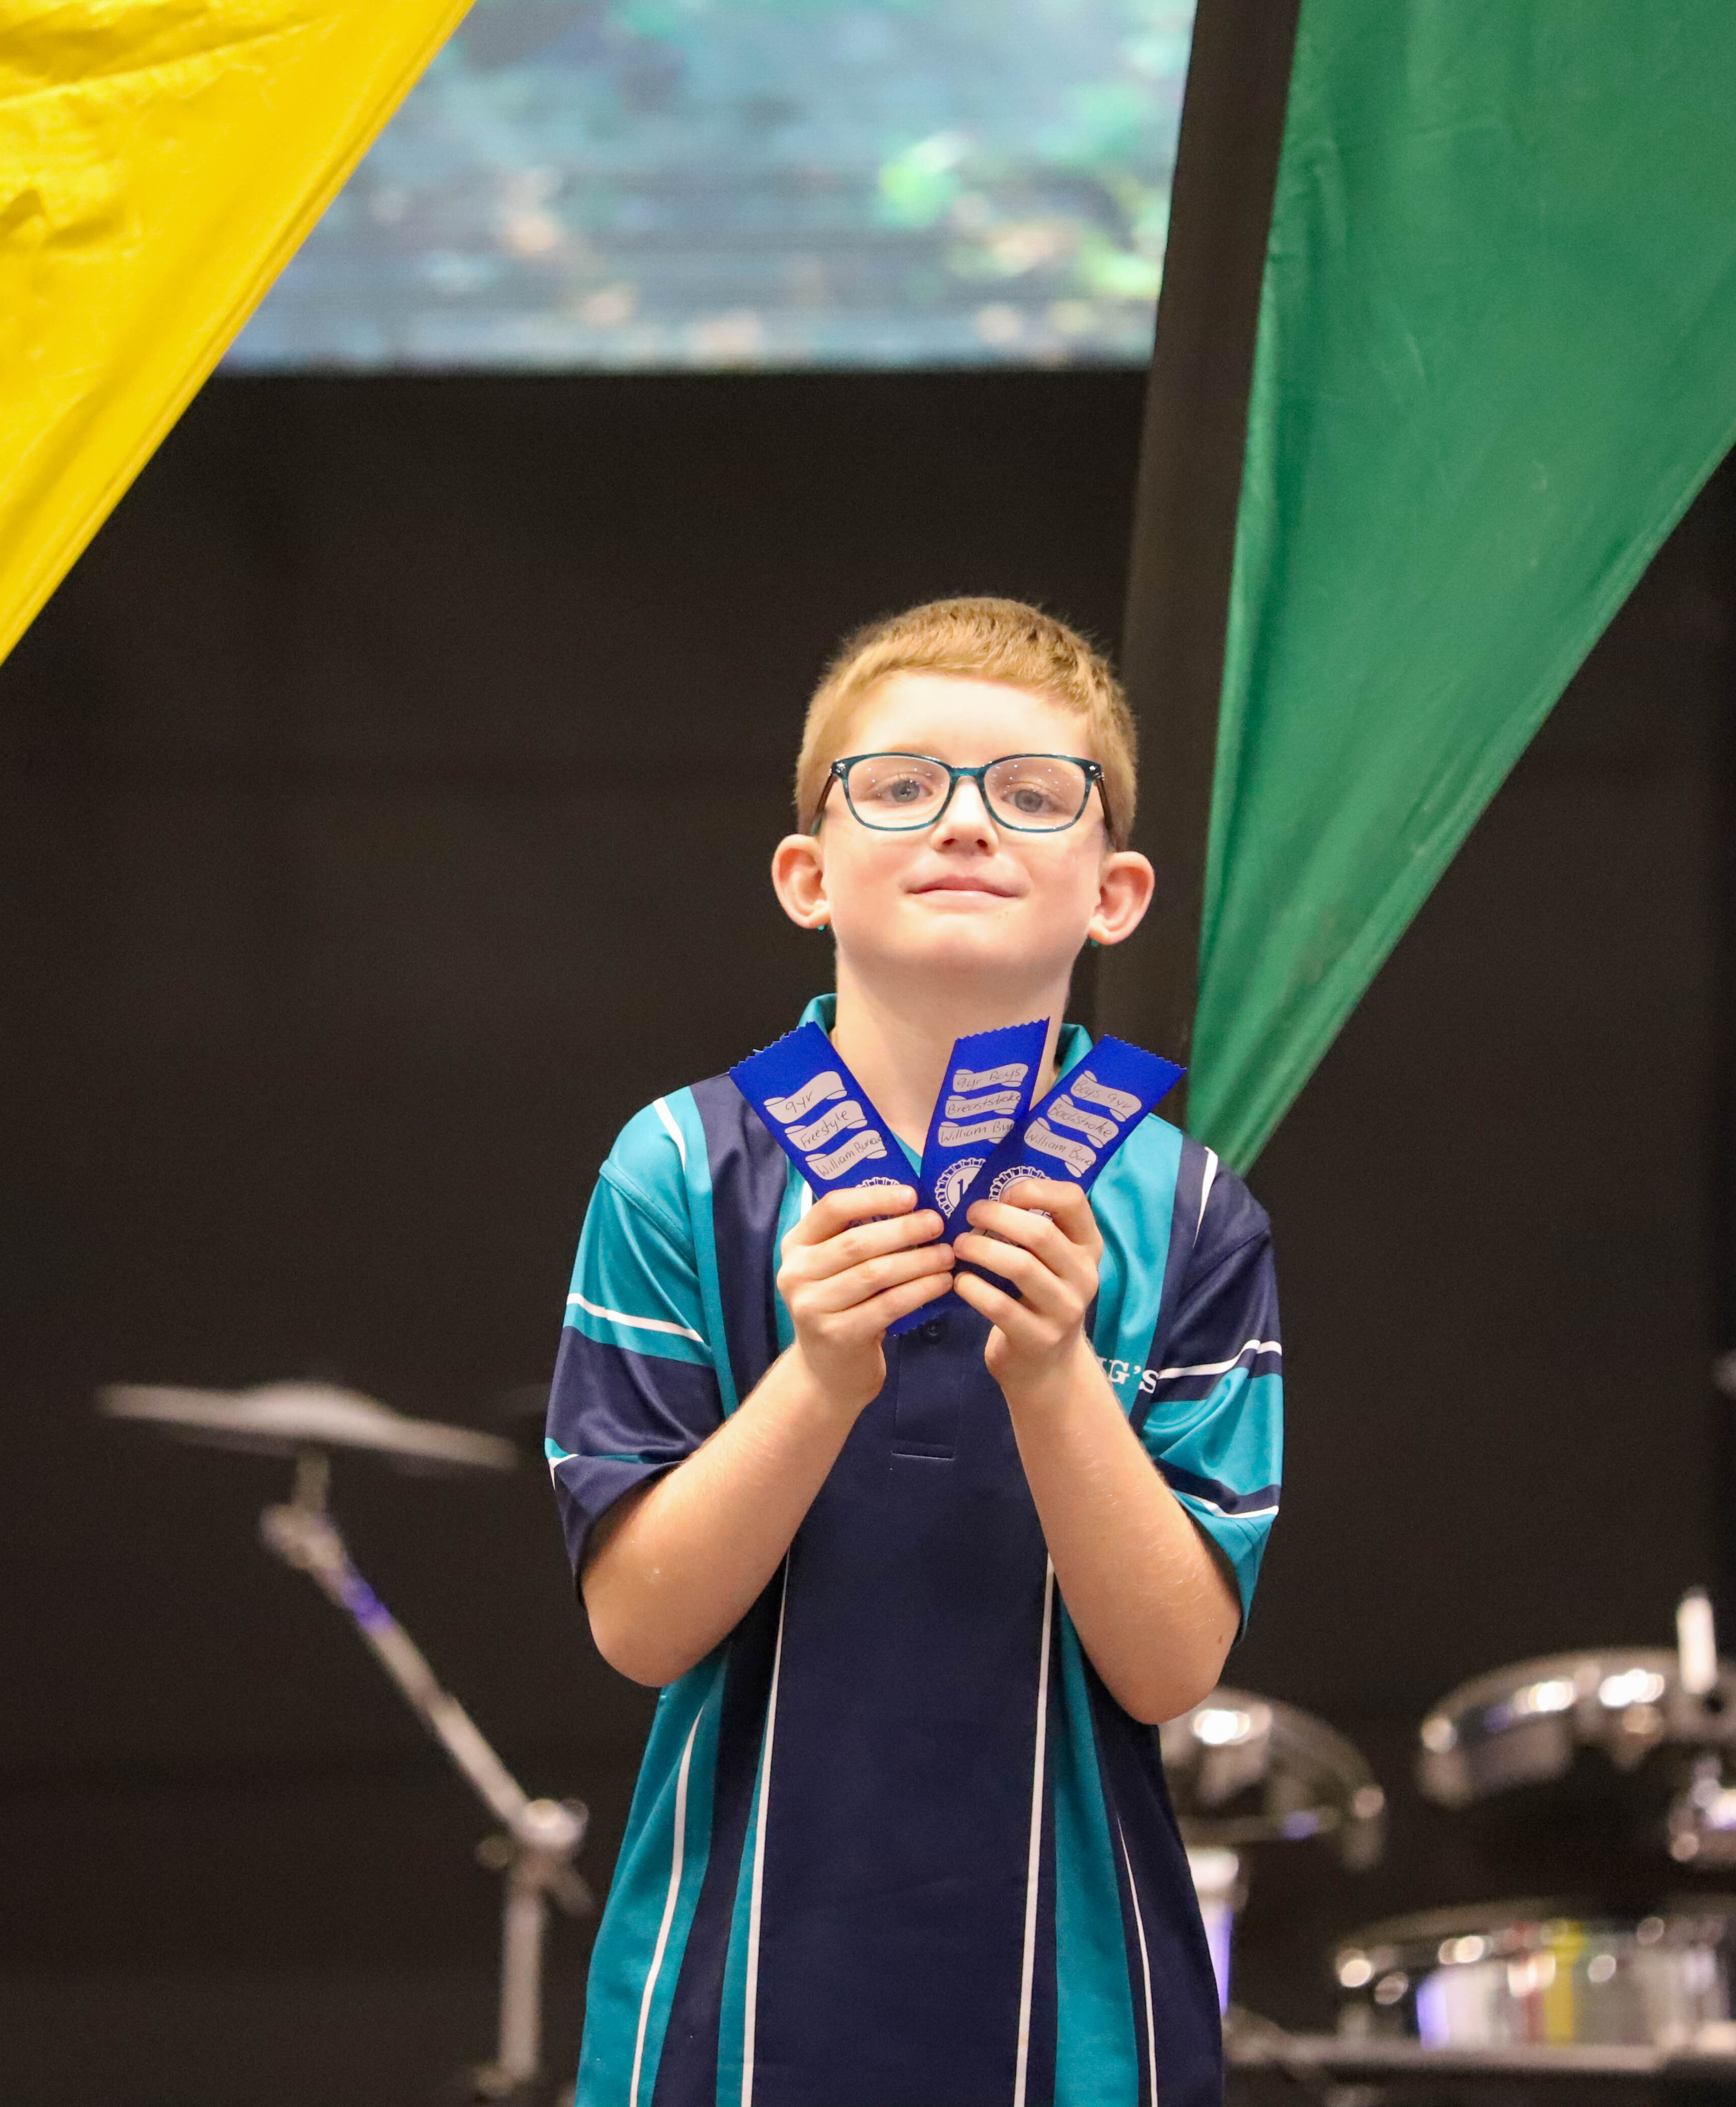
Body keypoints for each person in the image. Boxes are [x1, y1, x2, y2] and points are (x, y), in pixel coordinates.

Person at [543, 597, 1285, 2107]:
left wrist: (1056, 1377)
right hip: (724, 2012)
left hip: (1082, 2026)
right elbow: (638, 1631)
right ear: (806, 874)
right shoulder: (678, 1166)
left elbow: (1171, 1671)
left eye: (1033, 791)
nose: (963, 820)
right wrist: (817, 1378)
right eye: (897, 785)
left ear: (1116, 893)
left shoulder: (1190, 1208)